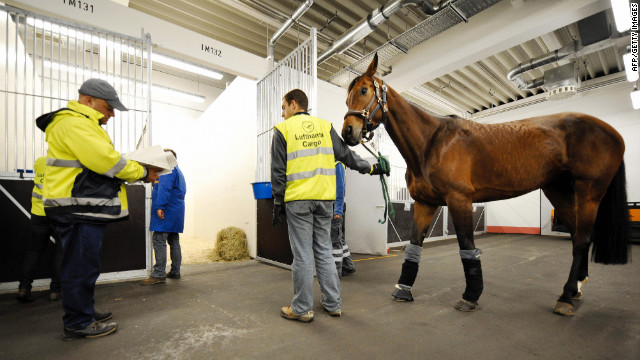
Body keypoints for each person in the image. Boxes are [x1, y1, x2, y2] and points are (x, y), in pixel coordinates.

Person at [35, 78, 158, 339]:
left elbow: (101, 159)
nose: (111, 115)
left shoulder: (81, 123)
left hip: (81, 207)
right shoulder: (75, 123)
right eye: (108, 108)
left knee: (85, 265)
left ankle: (84, 311)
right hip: (78, 207)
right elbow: (106, 161)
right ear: (88, 100)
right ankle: (78, 321)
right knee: (80, 266)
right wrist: (142, 171)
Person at [271, 89, 387, 323]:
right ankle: (333, 304)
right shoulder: (325, 127)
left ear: (294, 105)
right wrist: (371, 168)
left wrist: (277, 202)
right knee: (323, 250)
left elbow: (278, 172)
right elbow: (346, 155)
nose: (282, 113)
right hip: (325, 200)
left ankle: (302, 308)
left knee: (303, 255)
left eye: (284, 107)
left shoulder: (282, 131)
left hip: (298, 200)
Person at [17, 156, 63, 303]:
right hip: (58, 213)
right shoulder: (67, 163)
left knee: (34, 250)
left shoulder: (40, 161)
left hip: (38, 213)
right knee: (60, 251)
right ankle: (55, 291)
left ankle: (23, 289)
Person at [140, 149, 187, 285]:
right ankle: (175, 271)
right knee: (174, 240)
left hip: (167, 210)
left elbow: (164, 188)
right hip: (176, 211)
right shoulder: (178, 171)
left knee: (159, 239)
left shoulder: (168, 169)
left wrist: (160, 206)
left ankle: (159, 274)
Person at [331, 161, 356, 278]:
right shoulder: (334, 163)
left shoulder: (337, 164)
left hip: (335, 206)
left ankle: (335, 273)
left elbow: (340, 189)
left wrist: (337, 210)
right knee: (339, 238)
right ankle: (348, 266)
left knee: (334, 240)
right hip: (335, 206)